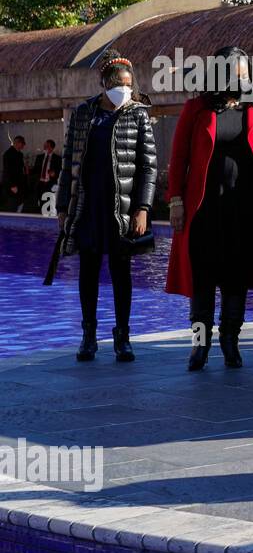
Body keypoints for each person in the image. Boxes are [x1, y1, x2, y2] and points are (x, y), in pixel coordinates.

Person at [166, 46, 253, 371]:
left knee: (236, 278)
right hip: (203, 209)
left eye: (245, 72)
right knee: (202, 279)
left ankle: (230, 342)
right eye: (236, 71)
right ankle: (199, 346)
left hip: (244, 208)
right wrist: (175, 201)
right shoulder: (196, 108)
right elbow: (178, 157)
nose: (242, 77)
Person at [54, 52, 157, 362]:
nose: (123, 89)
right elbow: (68, 162)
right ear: (102, 84)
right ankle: (88, 336)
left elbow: (148, 166)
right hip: (88, 206)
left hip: (122, 210)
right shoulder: (83, 113)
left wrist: (142, 207)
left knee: (121, 272)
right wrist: (62, 206)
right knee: (88, 271)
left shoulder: (138, 114)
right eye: (116, 84)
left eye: (127, 83)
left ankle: (122, 336)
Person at [30, 139, 62, 212]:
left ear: (52, 148)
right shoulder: (39, 157)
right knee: (40, 202)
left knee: (49, 203)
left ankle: (48, 217)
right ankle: (41, 216)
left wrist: (55, 174)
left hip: (50, 184)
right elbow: (35, 169)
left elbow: (60, 171)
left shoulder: (57, 158)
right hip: (40, 183)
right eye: (44, 145)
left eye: (46, 146)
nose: (44, 147)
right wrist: (29, 170)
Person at [2, 135, 26, 212]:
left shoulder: (19, 154)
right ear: (18, 143)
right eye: (23, 144)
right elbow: (7, 171)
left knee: (20, 203)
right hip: (11, 185)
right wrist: (12, 185)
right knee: (12, 205)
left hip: (19, 183)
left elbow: (20, 168)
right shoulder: (8, 154)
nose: (23, 146)